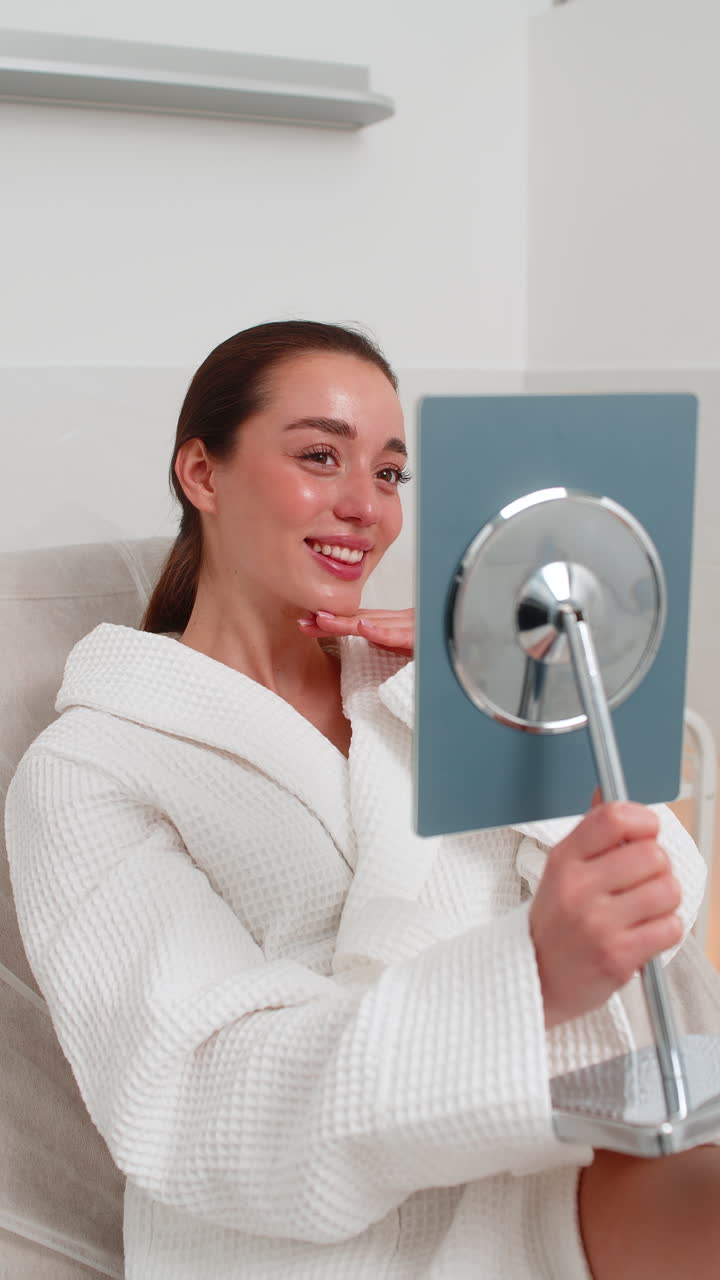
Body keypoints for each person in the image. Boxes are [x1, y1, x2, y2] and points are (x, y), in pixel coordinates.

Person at [5, 320, 720, 1280]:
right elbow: (201, 1097)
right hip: (312, 1238)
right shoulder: (91, 767)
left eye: (389, 474)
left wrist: (511, 707)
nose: (364, 508)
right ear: (202, 475)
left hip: (547, 1150)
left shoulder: (425, 687)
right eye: (318, 456)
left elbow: (663, 911)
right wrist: (529, 977)